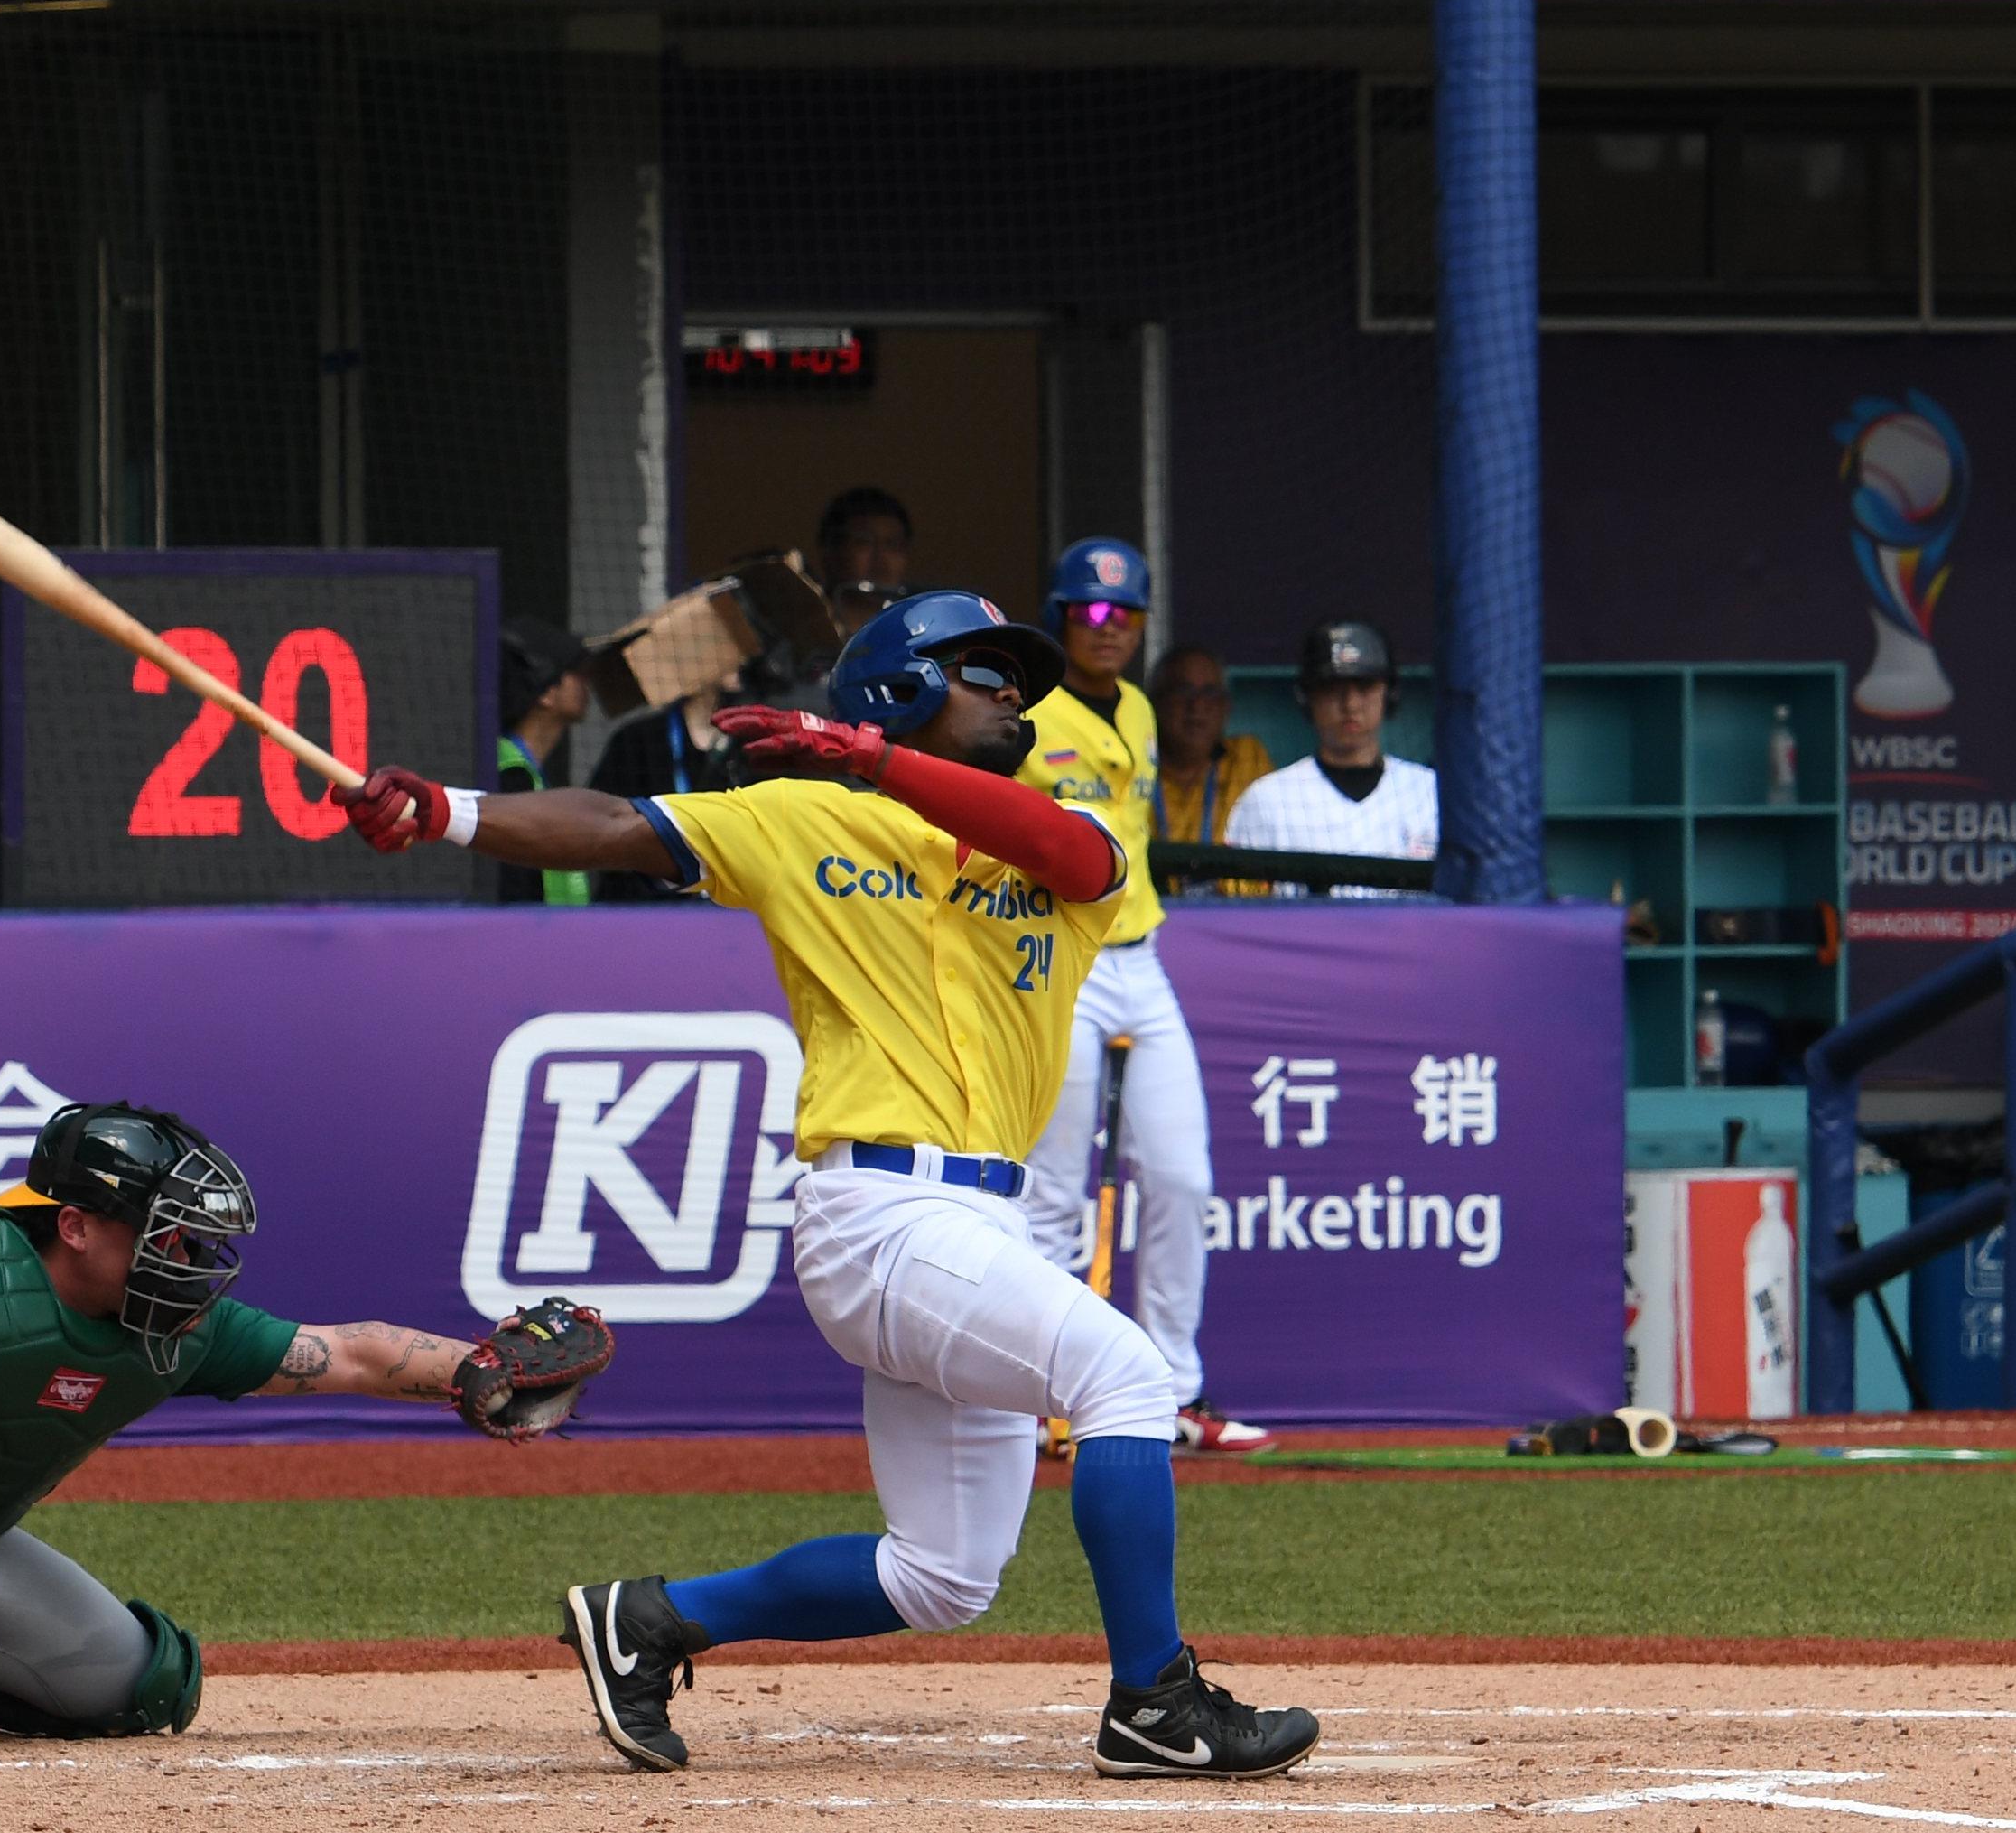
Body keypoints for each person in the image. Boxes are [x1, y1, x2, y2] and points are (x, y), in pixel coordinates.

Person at [339, 591, 1319, 1782]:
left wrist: (882, 761)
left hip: (981, 1223)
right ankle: (1154, 1703)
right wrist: (443, 811)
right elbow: (607, 819)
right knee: (1124, 1373)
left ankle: (647, 1619)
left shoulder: (1066, 835)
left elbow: (1076, 857)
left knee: (942, 1576)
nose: (1013, 693)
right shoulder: (799, 821)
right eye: (979, 672)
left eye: (1014, 676)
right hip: (880, 1215)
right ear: (899, 688)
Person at [0, 1103, 609, 1750]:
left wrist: (476, 1374)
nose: (190, 1260)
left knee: (136, 1691)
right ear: (75, 1227)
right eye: (166, 1235)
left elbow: (347, 1352)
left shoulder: (171, 1332)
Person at [1015, 543, 1268, 1456]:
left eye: (1122, 615)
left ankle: (1166, 1394)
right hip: (1057, 962)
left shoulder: (1138, 709)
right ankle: (1040, 1402)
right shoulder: (1022, 715)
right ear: (1057, 617)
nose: (1106, 628)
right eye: (1087, 613)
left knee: (1179, 1177)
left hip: (1139, 954)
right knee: (1051, 1194)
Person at [1225, 620, 1439, 898]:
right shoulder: (1266, 800)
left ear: (1390, 692)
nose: (1350, 704)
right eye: (1332, 687)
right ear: (1306, 697)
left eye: (1364, 686)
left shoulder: (1429, 792)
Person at [494, 616, 597, 905]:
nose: (586, 681)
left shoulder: (526, 770)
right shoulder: (510, 775)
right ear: (547, 693)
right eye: (575, 673)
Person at [1150, 645, 1272, 859]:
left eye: (1210, 693)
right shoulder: (1132, 764)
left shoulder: (1247, 757)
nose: (1197, 706)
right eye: (1183, 691)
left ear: (1226, 706)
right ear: (1156, 701)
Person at [813, 485, 915, 638]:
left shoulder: (916, 632)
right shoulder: (799, 629)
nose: (881, 556)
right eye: (863, 542)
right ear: (830, 551)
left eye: (893, 544)